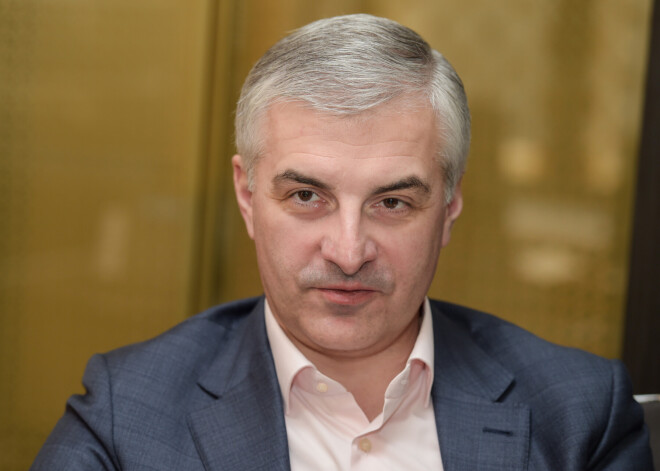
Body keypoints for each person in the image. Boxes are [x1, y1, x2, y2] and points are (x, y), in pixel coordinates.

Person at [31, 14, 653, 471]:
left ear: (450, 207)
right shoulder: (127, 416)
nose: (349, 253)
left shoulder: (578, 414)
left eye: (393, 203)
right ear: (247, 197)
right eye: (307, 196)